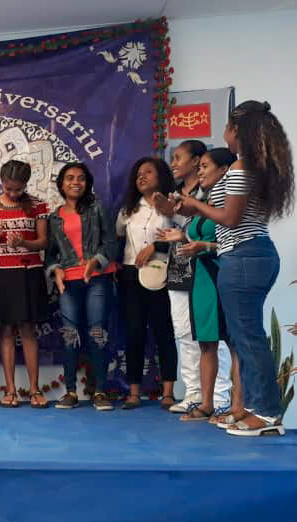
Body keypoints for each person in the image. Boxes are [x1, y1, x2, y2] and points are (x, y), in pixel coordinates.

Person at [177, 101, 294, 436]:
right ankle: (255, 409)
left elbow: (230, 218)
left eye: (227, 128)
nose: (224, 134)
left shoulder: (242, 168)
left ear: (236, 130)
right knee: (246, 338)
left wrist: (195, 203)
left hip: (244, 258)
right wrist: (193, 208)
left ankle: (268, 413)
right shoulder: (253, 167)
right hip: (250, 255)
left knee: (248, 338)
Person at [157, 148, 237, 421]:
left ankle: (230, 404)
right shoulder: (205, 199)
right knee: (206, 343)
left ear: (224, 170)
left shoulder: (230, 201)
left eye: (205, 166)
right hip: (200, 278)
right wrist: (181, 236)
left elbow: (234, 242)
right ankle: (206, 404)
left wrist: (205, 246)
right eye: (200, 166)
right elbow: (197, 236)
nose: (201, 171)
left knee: (230, 343)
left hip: (220, 276)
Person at [46, 163, 117, 411]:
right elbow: (50, 255)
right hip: (69, 283)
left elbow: (111, 243)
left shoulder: (97, 208)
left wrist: (96, 261)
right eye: (70, 178)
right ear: (61, 184)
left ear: (87, 183)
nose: (76, 182)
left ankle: (99, 391)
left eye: (81, 178)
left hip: (97, 278)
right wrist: (55, 271)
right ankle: (70, 392)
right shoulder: (54, 217)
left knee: (97, 333)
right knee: (69, 336)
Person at [0, 160, 50, 408]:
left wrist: (24, 242)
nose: (12, 194)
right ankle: (10, 390)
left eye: (18, 190)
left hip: (28, 273)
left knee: (28, 330)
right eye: (8, 189)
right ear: (1, 182)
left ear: (26, 185)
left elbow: (43, 242)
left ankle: (34, 389)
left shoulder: (39, 206)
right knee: (7, 331)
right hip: (0, 274)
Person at [115, 157, 178, 410]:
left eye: (148, 172)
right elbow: (118, 235)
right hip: (131, 275)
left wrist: (156, 246)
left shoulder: (174, 204)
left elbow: (184, 234)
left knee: (164, 332)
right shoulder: (129, 209)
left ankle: (168, 393)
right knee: (134, 331)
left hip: (160, 274)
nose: (142, 177)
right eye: (138, 173)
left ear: (161, 176)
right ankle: (133, 392)